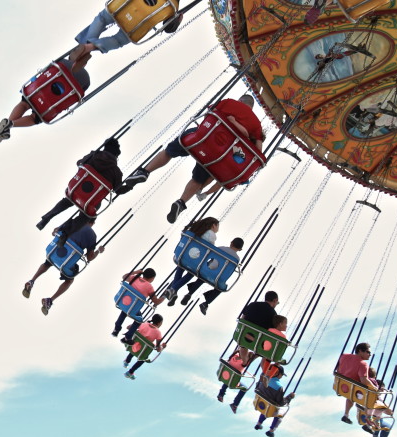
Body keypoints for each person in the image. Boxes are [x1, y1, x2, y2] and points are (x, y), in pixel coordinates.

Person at [118, 94, 264, 223]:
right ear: (251, 108)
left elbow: (210, 113)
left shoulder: (228, 102)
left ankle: (145, 171)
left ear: (240, 100)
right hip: (219, 157)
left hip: (201, 139)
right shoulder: (256, 125)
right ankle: (181, 202)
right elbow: (257, 152)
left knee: (170, 151)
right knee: (199, 179)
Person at [0, 44, 92, 144]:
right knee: (34, 118)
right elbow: (78, 96)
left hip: (37, 90)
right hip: (51, 105)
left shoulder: (63, 62)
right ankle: (11, 124)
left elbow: (47, 69)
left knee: (24, 104)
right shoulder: (86, 80)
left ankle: (8, 124)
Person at [37, 138, 123, 231]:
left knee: (69, 198)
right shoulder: (117, 173)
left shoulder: (93, 155)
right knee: (87, 215)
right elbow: (119, 190)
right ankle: (65, 233)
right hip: (90, 201)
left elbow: (79, 163)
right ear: (116, 156)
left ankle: (47, 217)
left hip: (75, 189)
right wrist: (130, 185)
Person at [22, 224, 105, 315]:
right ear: (92, 223)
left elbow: (55, 231)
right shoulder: (92, 235)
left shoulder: (75, 222)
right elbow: (89, 257)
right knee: (70, 280)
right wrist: (98, 251)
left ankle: (31, 281)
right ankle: (50, 300)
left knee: (47, 263)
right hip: (66, 263)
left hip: (54, 253)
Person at [171, 236, 244, 315]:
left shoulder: (221, 249)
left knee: (202, 277)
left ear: (231, 243)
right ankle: (206, 303)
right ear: (240, 249)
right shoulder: (236, 259)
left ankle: (189, 294)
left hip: (206, 270)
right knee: (221, 288)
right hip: (217, 278)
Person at [163, 217, 219, 305]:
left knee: (181, 267)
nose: (218, 229)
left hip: (184, 254)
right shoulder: (211, 234)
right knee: (191, 273)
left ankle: (173, 291)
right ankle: (173, 288)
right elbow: (211, 248)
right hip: (196, 259)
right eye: (217, 226)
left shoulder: (195, 228)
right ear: (213, 225)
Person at [112, 267, 166, 337]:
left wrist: (135, 272)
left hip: (123, 301)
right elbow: (156, 301)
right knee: (139, 320)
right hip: (133, 308)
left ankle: (116, 329)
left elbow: (124, 277)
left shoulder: (134, 278)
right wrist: (164, 297)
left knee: (125, 310)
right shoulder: (149, 287)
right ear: (152, 278)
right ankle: (128, 336)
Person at [237, 291, 280, 365]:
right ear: (275, 300)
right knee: (269, 347)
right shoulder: (273, 314)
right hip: (258, 342)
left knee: (243, 342)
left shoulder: (252, 304)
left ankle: (245, 360)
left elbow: (242, 319)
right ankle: (250, 358)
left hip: (243, 335)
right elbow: (272, 332)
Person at [336, 342, 376, 423]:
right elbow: (364, 380)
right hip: (353, 389)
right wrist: (375, 389)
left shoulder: (344, 356)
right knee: (372, 397)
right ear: (360, 351)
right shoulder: (363, 364)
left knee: (350, 396)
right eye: (368, 352)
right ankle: (368, 418)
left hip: (341, 386)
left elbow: (338, 369)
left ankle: (346, 414)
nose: (370, 355)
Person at [253, 366, 296, 437]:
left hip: (259, 404)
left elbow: (257, 388)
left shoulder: (263, 379)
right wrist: (289, 397)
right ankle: (271, 431)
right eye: (282, 375)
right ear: (278, 374)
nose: (281, 376)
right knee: (281, 412)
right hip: (269, 408)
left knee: (268, 404)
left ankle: (259, 423)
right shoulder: (279, 386)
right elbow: (281, 403)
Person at [124, 313, 165, 379]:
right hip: (142, 352)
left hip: (132, 346)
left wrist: (135, 331)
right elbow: (158, 348)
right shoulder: (158, 333)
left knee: (137, 343)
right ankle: (130, 372)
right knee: (143, 358)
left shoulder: (143, 324)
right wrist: (163, 347)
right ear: (159, 323)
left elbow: (128, 327)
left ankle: (127, 361)